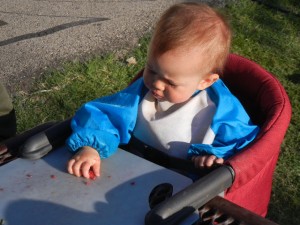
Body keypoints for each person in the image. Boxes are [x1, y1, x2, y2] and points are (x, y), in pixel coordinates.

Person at [66, 3, 259, 179]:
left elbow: (243, 143)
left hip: (181, 188)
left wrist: (215, 157)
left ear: (205, 81)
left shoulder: (220, 109)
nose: (156, 84)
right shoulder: (142, 93)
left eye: (171, 82)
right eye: (151, 69)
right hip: (128, 172)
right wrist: (91, 146)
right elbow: (106, 115)